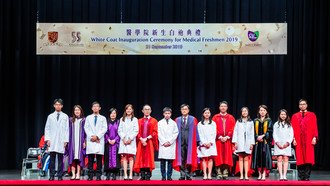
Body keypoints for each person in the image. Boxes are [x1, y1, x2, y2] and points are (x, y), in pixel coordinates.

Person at [291, 99, 318, 181]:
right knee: (300, 157)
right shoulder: (295, 116)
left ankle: (307, 176)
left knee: (308, 157)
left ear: (306, 105)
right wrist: (293, 139)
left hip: (309, 139)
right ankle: (301, 176)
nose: (302, 105)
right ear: (299, 106)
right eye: (301, 104)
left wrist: (314, 137)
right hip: (298, 139)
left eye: (304, 104)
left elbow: (315, 127)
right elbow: (292, 129)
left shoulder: (312, 115)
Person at [44, 98, 69, 181]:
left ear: (62, 106)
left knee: (60, 160)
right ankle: (51, 175)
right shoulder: (50, 116)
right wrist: (47, 139)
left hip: (61, 140)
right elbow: (47, 128)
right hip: (52, 140)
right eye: (56, 104)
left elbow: (67, 129)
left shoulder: (65, 116)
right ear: (54, 105)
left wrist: (66, 140)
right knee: (52, 159)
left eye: (59, 104)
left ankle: (60, 175)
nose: (58, 106)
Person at [173, 104, 199, 180]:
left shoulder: (193, 119)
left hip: (190, 142)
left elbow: (196, 131)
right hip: (179, 142)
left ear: (188, 110)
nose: (184, 110)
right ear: (181, 111)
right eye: (183, 109)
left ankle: (188, 174)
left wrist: (198, 141)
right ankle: (182, 174)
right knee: (181, 158)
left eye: (186, 109)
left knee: (189, 158)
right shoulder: (177, 120)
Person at [134, 105, 158, 180]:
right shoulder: (139, 121)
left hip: (149, 142)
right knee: (141, 157)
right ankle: (142, 174)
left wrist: (146, 139)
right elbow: (136, 131)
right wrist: (141, 139)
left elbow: (155, 132)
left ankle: (148, 174)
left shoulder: (154, 120)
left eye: (148, 109)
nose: (147, 111)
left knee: (148, 157)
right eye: (145, 109)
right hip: (141, 142)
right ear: (142, 111)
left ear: (150, 111)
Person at [212, 101, 236, 180]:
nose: (223, 107)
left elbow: (233, 128)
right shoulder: (215, 117)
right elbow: (213, 128)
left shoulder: (231, 117)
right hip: (218, 140)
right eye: (221, 106)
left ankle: (225, 172)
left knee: (227, 156)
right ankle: (218, 172)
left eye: (224, 106)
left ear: (227, 107)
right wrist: (219, 136)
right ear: (219, 107)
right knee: (218, 156)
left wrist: (228, 136)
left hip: (227, 140)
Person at [84, 101, 108, 181]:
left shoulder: (103, 118)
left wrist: (97, 136)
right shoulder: (88, 117)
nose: (95, 108)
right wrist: (92, 136)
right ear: (92, 108)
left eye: (97, 106)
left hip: (99, 140)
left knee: (99, 159)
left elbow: (104, 128)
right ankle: (90, 175)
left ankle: (98, 175)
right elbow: (86, 128)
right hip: (91, 140)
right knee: (90, 159)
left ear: (99, 108)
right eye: (94, 106)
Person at [232, 107, 255, 180]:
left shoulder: (251, 122)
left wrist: (252, 143)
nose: (244, 112)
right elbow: (235, 131)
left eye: (246, 111)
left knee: (246, 159)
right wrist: (235, 142)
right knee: (241, 158)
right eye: (243, 111)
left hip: (247, 142)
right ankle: (241, 175)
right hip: (240, 142)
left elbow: (252, 133)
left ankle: (246, 175)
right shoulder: (238, 121)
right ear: (241, 113)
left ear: (248, 112)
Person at [251, 105, 273, 181]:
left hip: (265, 143)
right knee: (258, 158)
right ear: (259, 111)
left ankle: (264, 174)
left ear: (266, 111)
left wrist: (263, 136)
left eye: (264, 110)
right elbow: (252, 131)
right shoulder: (255, 120)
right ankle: (259, 174)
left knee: (264, 158)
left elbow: (270, 131)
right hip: (257, 143)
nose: (262, 111)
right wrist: (257, 137)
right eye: (261, 110)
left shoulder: (269, 120)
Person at [118, 104, 139, 180]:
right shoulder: (122, 119)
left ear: (132, 110)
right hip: (123, 141)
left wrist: (130, 139)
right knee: (124, 157)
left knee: (130, 157)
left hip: (131, 141)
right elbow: (119, 130)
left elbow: (136, 130)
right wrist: (123, 138)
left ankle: (130, 174)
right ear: (125, 110)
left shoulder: (135, 119)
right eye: (127, 109)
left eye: (130, 109)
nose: (128, 110)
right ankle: (125, 174)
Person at [158, 107, 179, 181]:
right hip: (163, 144)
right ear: (163, 114)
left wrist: (169, 141)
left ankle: (169, 176)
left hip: (171, 144)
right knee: (162, 162)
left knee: (170, 162)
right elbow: (159, 133)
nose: (167, 115)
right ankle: (163, 177)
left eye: (168, 113)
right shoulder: (160, 122)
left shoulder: (173, 123)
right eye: (166, 113)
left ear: (171, 114)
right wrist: (164, 142)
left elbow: (176, 133)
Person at [273, 109, 294, 181]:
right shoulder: (276, 124)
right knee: (279, 158)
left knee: (285, 158)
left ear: (286, 115)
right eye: (282, 114)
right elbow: (274, 134)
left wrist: (287, 143)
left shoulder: (289, 124)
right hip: (278, 144)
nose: (283, 116)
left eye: (284, 114)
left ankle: (285, 175)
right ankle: (281, 175)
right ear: (279, 115)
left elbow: (291, 135)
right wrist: (277, 143)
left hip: (286, 145)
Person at [197, 108, 217, 180]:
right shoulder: (199, 124)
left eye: (208, 113)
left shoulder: (213, 123)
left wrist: (210, 142)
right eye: (205, 113)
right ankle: (205, 174)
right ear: (203, 114)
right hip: (203, 144)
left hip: (211, 144)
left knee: (210, 159)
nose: (207, 114)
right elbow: (199, 134)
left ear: (210, 114)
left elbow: (214, 133)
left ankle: (209, 174)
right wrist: (204, 143)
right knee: (204, 159)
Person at [67, 105, 86, 180]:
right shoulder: (70, 120)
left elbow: (85, 132)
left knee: (79, 158)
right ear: (73, 112)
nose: (77, 111)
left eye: (78, 110)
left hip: (80, 142)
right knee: (72, 158)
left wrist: (85, 141)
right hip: (72, 142)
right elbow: (67, 131)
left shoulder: (84, 120)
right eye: (75, 110)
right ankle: (73, 174)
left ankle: (78, 173)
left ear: (81, 111)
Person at [104, 108, 120, 180]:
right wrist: (108, 139)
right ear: (109, 114)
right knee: (107, 157)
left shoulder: (119, 122)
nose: (113, 115)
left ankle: (114, 173)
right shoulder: (106, 122)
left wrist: (115, 139)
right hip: (108, 143)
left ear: (116, 114)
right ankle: (108, 173)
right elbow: (104, 132)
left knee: (116, 157)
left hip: (116, 143)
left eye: (114, 113)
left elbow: (120, 132)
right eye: (111, 113)